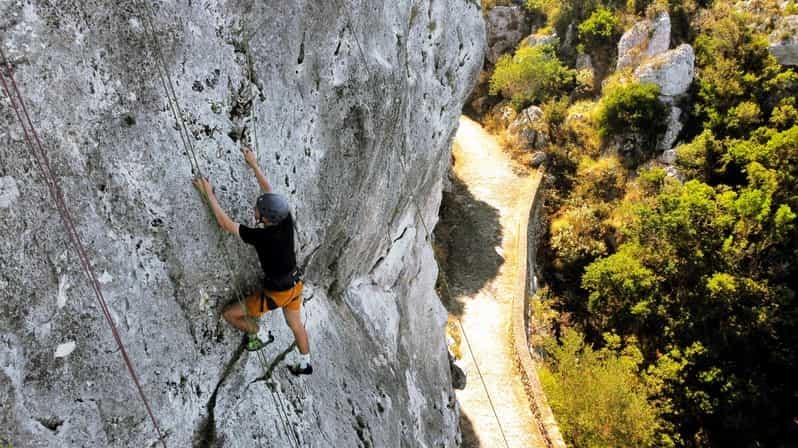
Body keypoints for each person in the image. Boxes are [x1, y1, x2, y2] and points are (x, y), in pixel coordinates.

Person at [192, 146, 312, 376]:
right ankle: (306, 363)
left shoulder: (262, 237)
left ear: (265, 218)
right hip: (295, 286)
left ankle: (259, 334)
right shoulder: (284, 219)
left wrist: (209, 194)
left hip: (276, 294)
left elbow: (225, 224)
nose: (254, 209)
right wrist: (253, 163)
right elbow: (269, 191)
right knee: (295, 325)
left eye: (258, 209)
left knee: (230, 314)